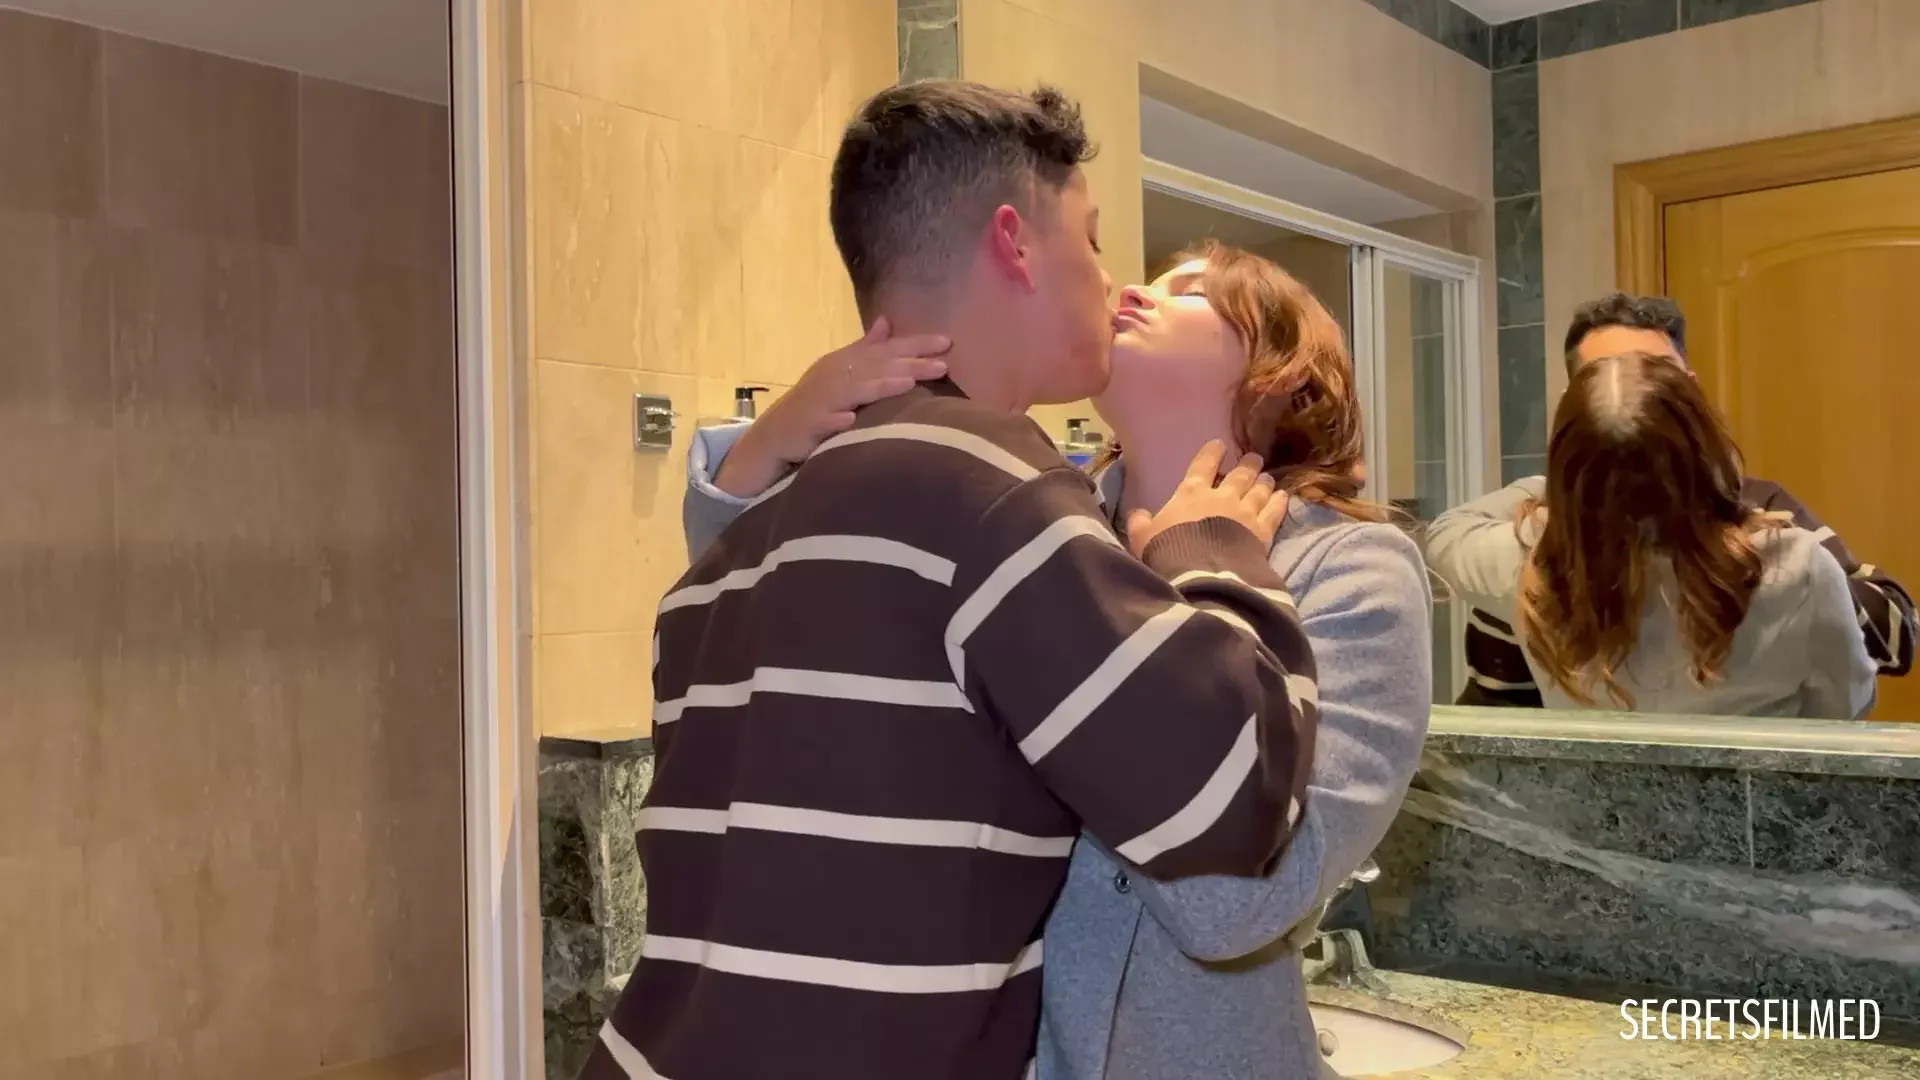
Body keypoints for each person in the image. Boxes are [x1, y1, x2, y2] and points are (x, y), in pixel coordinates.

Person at [582, 82, 1323, 1080]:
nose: (1111, 281)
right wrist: (1213, 552)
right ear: (1015, 243)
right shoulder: (990, 487)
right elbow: (1227, 798)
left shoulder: (735, 545)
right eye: (1091, 239)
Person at [684, 242, 1433, 1079]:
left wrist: (1202, 567)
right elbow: (777, 620)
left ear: (1287, 372)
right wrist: (762, 452)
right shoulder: (1031, 524)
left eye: (1194, 290)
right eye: (1150, 276)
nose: (1138, 292)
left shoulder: (1354, 572)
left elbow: (1231, 905)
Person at [1456, 293, 1915, 708]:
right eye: (1608, 377)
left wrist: (1764, 579)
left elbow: (1898, 636)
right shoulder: (1538, 552)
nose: (1636, 395)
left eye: (1657, 375)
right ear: (1576, 405)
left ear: (1690, 392)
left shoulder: (1766, 510)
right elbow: (1499, 707)